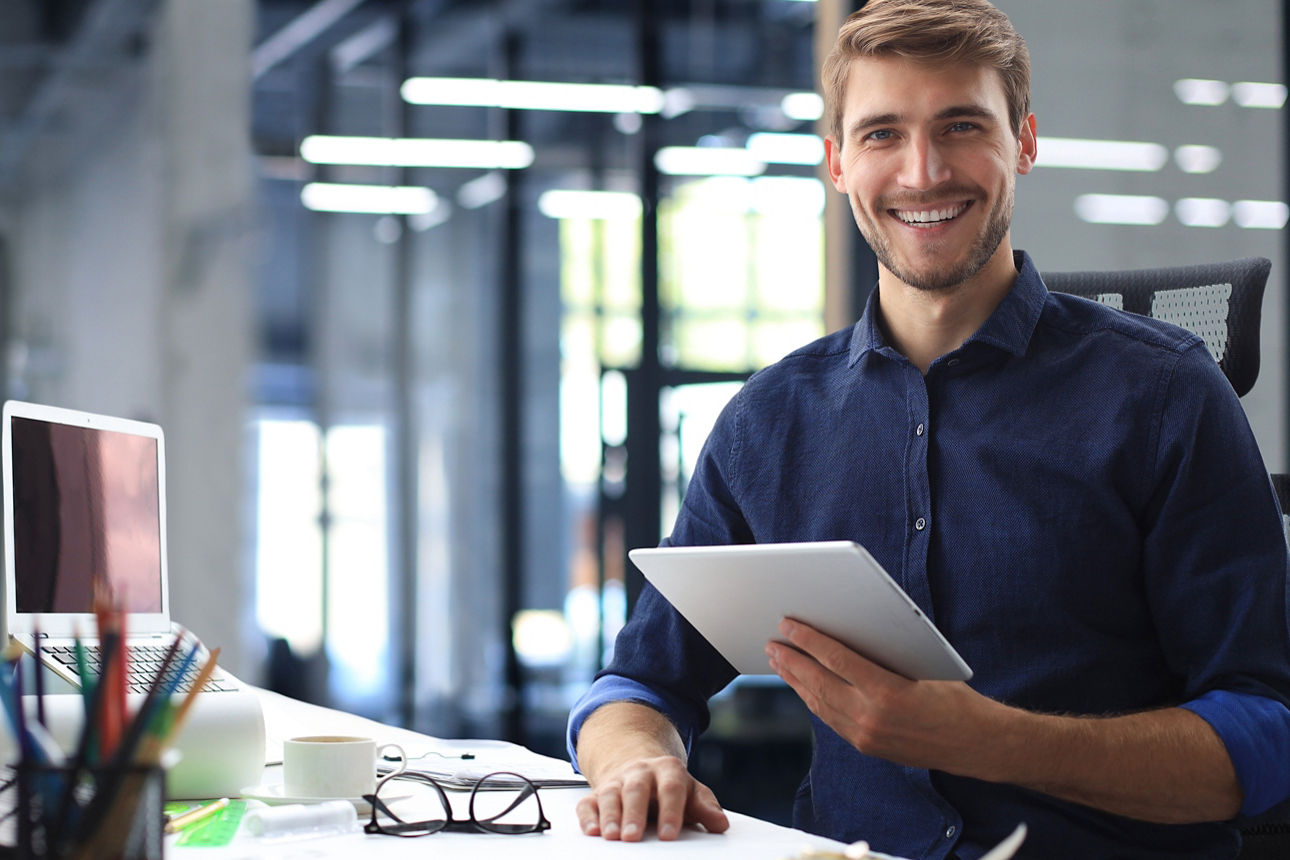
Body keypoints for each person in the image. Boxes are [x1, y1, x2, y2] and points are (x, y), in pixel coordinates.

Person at [566, 1, 1290, 858]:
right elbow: (637, 683)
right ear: (837, 163)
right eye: (881, 135)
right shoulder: (769, 419)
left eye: (961, 125)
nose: (922, 171)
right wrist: (634, 761)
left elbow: (1265, 737)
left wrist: (989, 739)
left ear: (1023, 141)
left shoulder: (1166, 394)